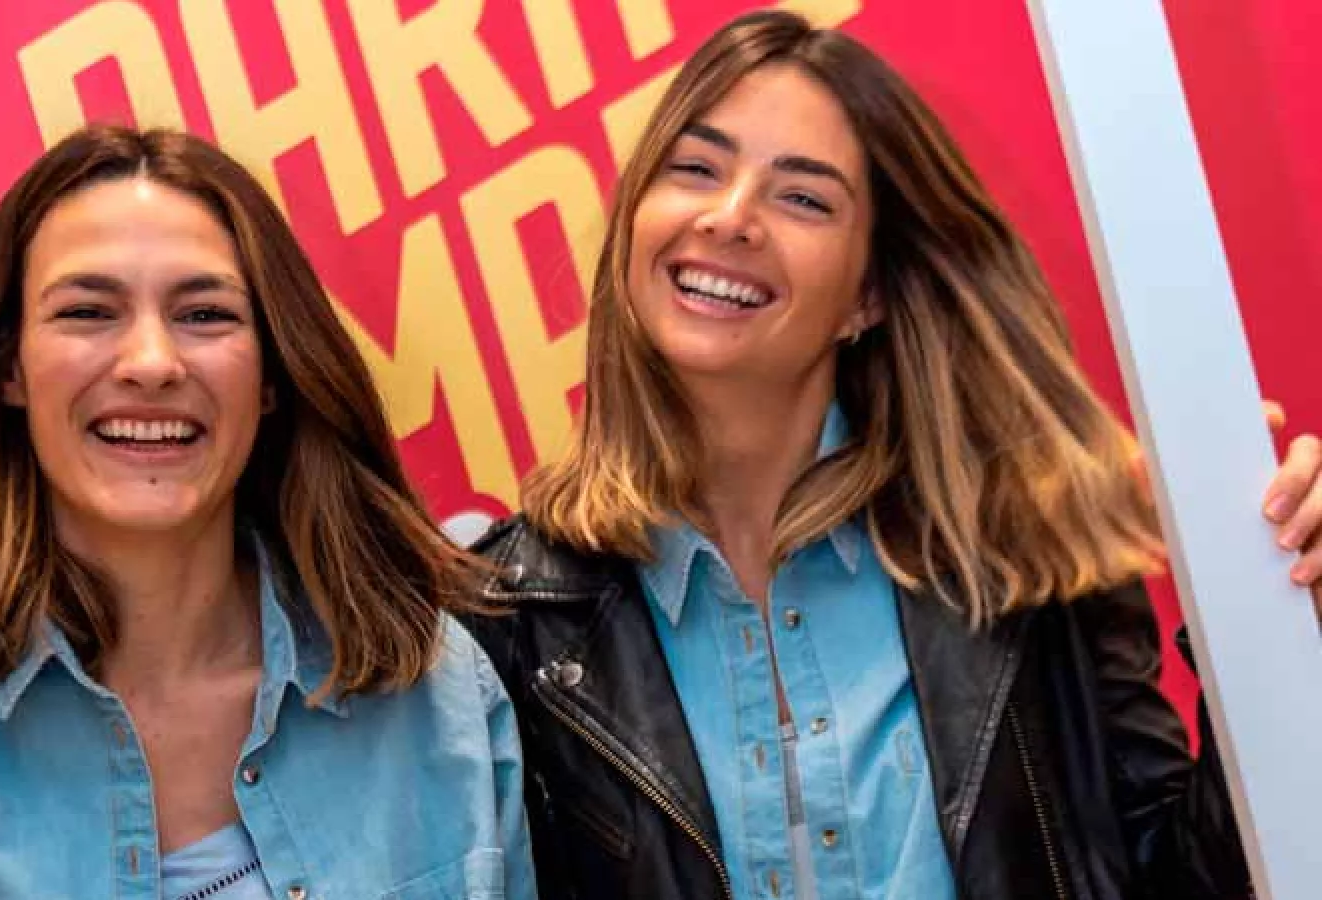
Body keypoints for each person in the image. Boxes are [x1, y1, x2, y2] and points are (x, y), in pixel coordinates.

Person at [464, 10, 1321, 900]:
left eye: (803, 198)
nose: (731, 217)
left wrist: (1279, 625)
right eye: (695, 169)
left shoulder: (1025, 552)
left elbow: (1187, 880)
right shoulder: (511, 620)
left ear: (866, 295)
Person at [0, 125, 535, 900]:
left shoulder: (434, 691)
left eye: (205, 314)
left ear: (271, 376)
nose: (151, 362)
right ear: (10, 368)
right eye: (87, 312)